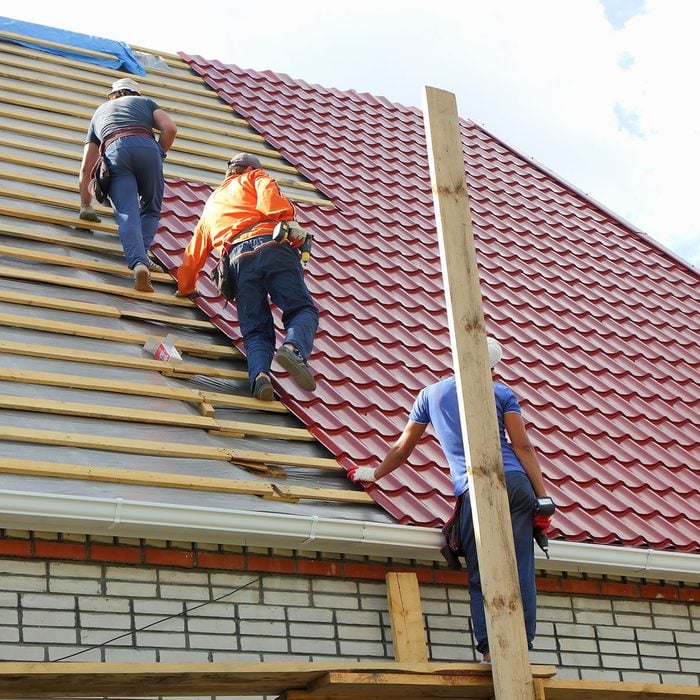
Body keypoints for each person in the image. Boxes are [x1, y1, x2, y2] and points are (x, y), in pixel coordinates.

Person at [347, 337, 554, 662]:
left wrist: (373, 474)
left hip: (475, 489)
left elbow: (403, 448)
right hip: (516, 484)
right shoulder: (501, 392)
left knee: (480, 570)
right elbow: (523, 447)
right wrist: (543, 497)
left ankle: (490, 652)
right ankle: (521, 648)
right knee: (519, 567)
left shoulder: (430, 395)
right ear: (492, 367)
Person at [176, 153, 319, 401]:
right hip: (272, 246)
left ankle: (260, 377)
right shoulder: (256, 177)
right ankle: (293, 348)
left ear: (229, 171)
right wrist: (288, 221)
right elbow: (270, 206)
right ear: (251, 168)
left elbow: (194, 254)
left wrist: (186, 286)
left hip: (237, 260)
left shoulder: (212, 204)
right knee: (301, 308)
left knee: (255, 329)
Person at [78, 77, 177, 292]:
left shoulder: (99, 113)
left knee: (126, 212)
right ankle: (141, 255)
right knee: (150, 208)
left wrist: (86, 206)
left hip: (115, 149)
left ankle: (139, 263)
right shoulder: (146, 103)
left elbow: (87, 167)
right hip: (147, 147)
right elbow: (170, 129)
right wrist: (158, 153)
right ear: (136, 93)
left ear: (113, 95)